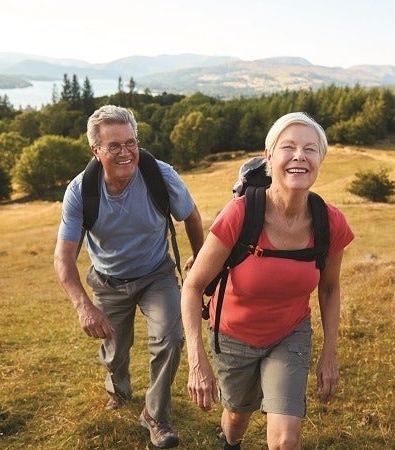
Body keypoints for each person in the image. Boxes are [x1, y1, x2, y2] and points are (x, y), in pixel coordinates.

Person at [181, 112, 354, 450]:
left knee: (287, 439)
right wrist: (196, 360)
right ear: (269, 157)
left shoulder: (329, 222)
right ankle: (231, 443)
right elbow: (192, 286)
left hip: (289, 333)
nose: (299, 156)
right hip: (232, 334)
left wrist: (329, 353)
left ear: (320, 159)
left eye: (310, 149)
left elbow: (330, 287)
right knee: (236, 418)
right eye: (288, 147)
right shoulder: (241, 214)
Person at [54, 105, 204, 449]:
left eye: (131, 142)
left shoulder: (160, 174)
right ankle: (118, 389)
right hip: (108, 281)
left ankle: (155, 415)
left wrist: (199, 261)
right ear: (96, 150)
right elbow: (63, 258)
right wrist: (83, 306)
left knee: (170, 338)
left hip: (157, 274)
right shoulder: (81, 191)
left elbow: (191, 216)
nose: (126, 152)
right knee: (115, 351)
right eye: (114, 146)